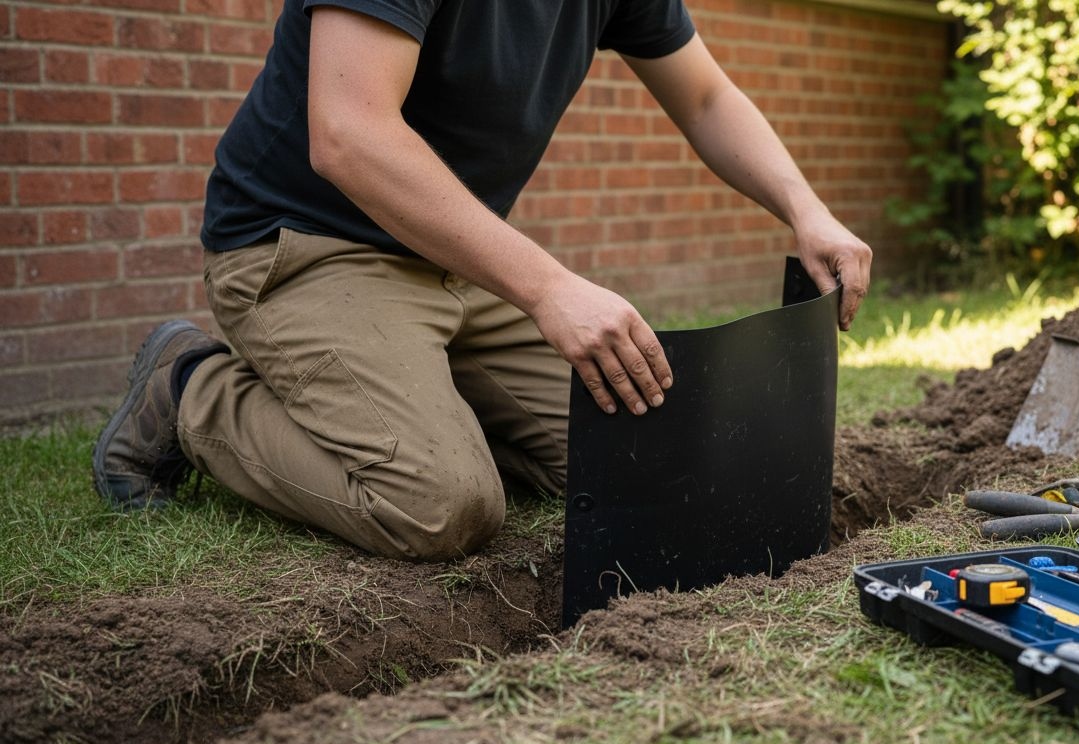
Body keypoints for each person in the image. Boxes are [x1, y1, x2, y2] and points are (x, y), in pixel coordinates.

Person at [93, 0, 873, 561]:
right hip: (306, 247)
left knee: (644, 456)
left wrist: (806, 210)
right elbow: (349, 134)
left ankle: (425, 407)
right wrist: (546, 287)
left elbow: (704, 96)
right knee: (439, 505)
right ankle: (188, 389)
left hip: (452, 262)